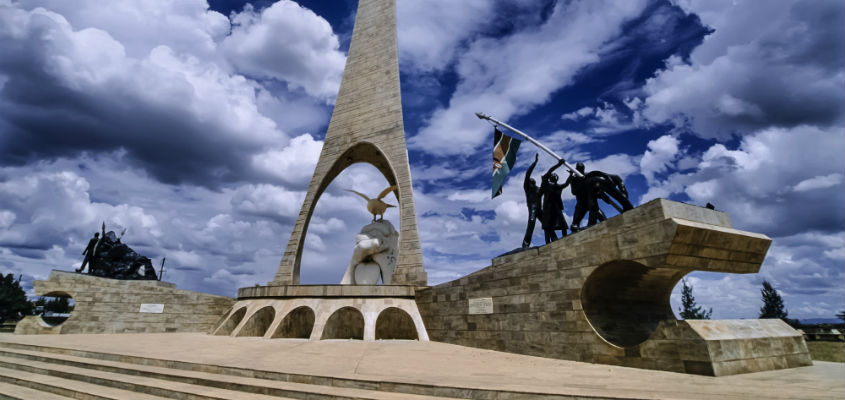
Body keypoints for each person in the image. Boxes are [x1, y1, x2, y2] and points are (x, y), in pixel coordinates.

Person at [540, 159, 569, 243]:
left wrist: (571, 175)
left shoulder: (558, 186)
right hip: (549, 209)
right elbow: (550, 171)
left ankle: (565, 238)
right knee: (548, 227)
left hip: (556, 208)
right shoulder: (546, 184)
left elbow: (566, 184)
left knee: (562, 225)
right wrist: (558, 165)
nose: (554, 177)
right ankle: (548, 242)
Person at [522, 154, 543, 248]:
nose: (531, 182)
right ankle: (526, 243)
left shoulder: (538, 189)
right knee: (531, 223)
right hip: (533, 208)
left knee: (547, 224)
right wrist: (535, 163)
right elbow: (528, 173)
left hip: (540, 208)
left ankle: (553, 237)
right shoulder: (527, 188)